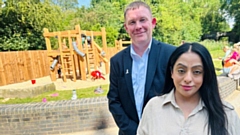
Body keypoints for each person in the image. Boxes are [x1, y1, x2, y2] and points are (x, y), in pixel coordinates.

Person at [137, 43, 240, 135]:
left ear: (206, 75)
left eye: (197, 72)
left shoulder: (226, 113)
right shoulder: (153, 108)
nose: (188, 79)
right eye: (181, 71)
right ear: (172, 72)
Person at [107, 1, 176, 135]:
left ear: (153, 23)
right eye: (132, 22)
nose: (138, 26)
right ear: (126, 28)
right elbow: (114, 101)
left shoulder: (171, 55)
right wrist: (136, 131)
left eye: (142, 20)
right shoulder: (117, 61)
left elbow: (180, 96)